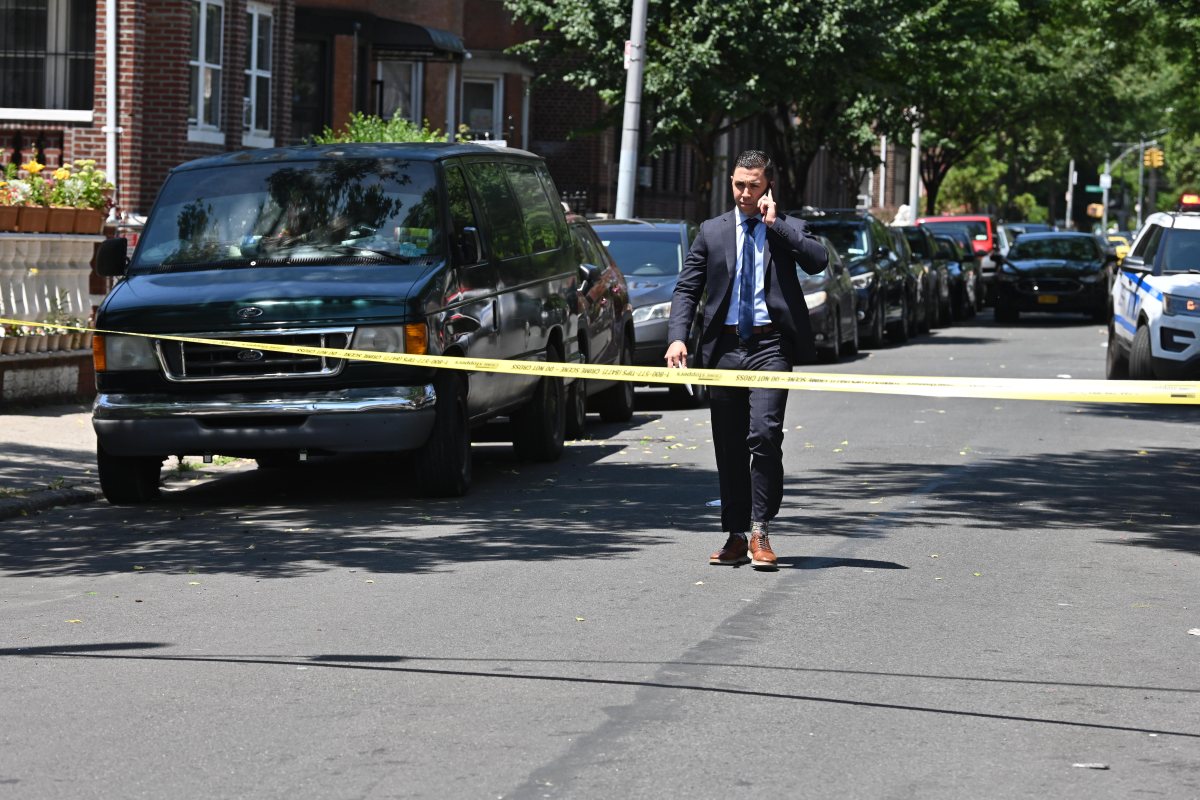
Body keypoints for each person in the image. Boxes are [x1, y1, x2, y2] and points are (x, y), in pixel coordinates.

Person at [665, 150, 828, 570]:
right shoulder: (712, 231)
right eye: (739, 184)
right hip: (723, 350)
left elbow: (817, 259)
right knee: (729, 442)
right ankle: (736, 534)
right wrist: (678, 338)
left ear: (768, 185)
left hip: (770, 346)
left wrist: (776, 225)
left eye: (754, 185)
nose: (744, 193)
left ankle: (760, 529)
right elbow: (687, 289)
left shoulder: (786, 227)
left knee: (764, 435)